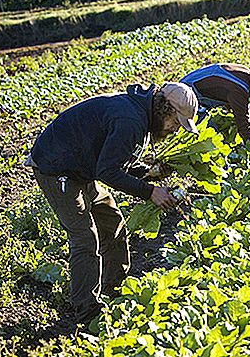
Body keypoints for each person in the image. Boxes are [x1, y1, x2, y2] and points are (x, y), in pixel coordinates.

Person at [26, 82, 199, 324]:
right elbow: (108, 172)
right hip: (57, 168)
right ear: (165, 109)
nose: (175, 129)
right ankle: (87, 311)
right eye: (176, 122)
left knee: (113, 223)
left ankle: (116, 288)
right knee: (85, 237)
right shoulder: (131, 120)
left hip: (83, 168)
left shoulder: (141, 114)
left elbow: (114, 160)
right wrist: (150, 192)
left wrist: (147, 173)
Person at [180, 62, 250, 143]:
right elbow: (243, 123)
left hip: (189, 85)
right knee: (211, 137)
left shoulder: (247, 74)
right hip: (186, 94)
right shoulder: (239, 90)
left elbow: (224, 90)